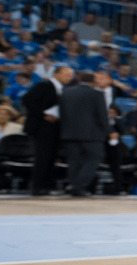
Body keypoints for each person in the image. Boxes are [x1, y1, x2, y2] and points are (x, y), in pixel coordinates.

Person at [58, 72, 111, 198]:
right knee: (94, 158)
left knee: (74, 161)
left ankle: (73, 186)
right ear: (93, 82)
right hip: (91, 134)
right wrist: (108, 131)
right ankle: (78, 186)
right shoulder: (97, 94)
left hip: (70, 133)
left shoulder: (66, 92)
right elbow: (102, 116)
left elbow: (62, 113)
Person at [22, 65, 72, 196]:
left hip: (56, 127)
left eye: (71, 75)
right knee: (43, 157)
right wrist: (43, 115)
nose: (70, 78)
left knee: (52, 157)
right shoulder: (44, 85)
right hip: (42, 126)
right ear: (57, 74)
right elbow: (27, 100)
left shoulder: (65, 89)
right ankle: (38, 187)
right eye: (67, 74)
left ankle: (48, 185)